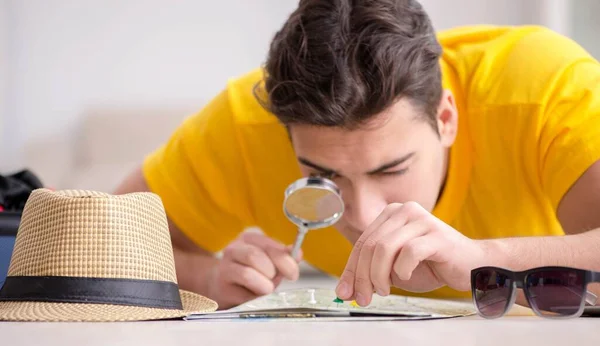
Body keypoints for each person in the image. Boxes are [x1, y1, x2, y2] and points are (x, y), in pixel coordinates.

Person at [115, 0, 600, 310]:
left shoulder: (541, 88)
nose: (364, 217)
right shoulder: (245, 122)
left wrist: (486, 261)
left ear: (446, 118)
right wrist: (208, 277)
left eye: (392, 168)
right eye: (322, 175)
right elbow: (102, 236)